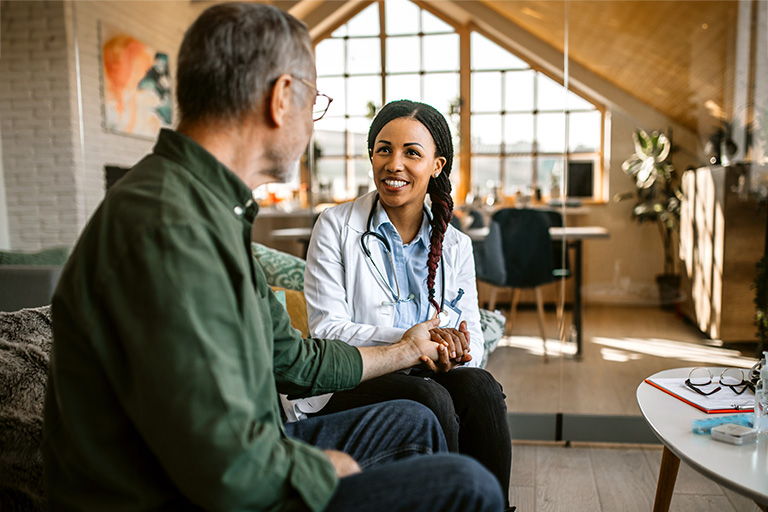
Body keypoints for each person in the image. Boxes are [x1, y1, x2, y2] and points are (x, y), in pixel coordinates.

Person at [41, 4, 505, 512]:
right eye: (315, 101)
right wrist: (321, 467)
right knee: (468, 485)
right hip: (177, 492)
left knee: (415, 419)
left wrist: (404, 351)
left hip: (247, 451)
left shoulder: (208, 209)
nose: (312, 121)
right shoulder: (169, 226)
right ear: (282, 98)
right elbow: (220, 462)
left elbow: (291, 357)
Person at [300, 99, 513, 507]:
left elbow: (474, 342)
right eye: (384, 149)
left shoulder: (456, 245)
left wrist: (454, 350)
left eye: (411, 153)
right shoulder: (334, 226)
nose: (393, 164)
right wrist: (411, 344)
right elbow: (326, 332)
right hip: (354, 379)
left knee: (481, 388)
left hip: (430, 373)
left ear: (437, 165)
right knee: (432, 399)